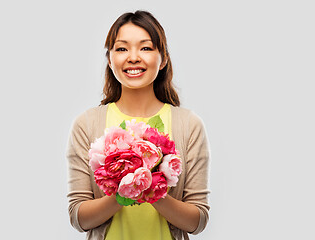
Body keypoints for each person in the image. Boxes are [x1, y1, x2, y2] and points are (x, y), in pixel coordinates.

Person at [66, 10, 211, 240]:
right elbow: (78, 216)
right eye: (122, 48)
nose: (133, 57)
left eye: (145, 47)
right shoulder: (87, 124)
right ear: (110, 59)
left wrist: (151, 187)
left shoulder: (189, 125)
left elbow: (198, 220)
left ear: (163, 59)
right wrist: (124, 191)